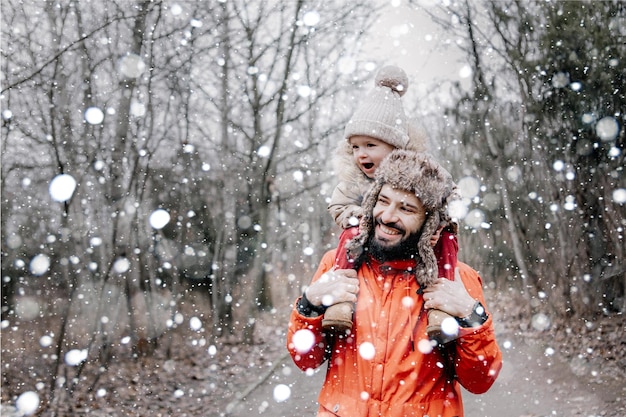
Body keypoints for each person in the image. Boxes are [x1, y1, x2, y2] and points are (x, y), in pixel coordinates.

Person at [287, 149, 502, 417]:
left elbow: (479, 381)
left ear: (429, 222)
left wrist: (472, 317)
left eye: (406, 208)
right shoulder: (337, 266)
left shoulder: (457, 280)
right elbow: (306, 360)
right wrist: (309, 306)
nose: (387, 216)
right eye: (383, 201)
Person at [325, 65, 458, 342]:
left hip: (414, 237)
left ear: (395, 147)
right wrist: (358, 217)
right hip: (368, 240)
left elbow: (448, 191)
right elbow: (337, 205)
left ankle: (441, 301)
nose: (361, 154)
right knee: (349, 232)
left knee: (446, 239)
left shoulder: (419, 170)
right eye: (356, 147)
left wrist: (441, 221)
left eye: (371, 146)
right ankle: (341, 298)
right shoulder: (353, 179)